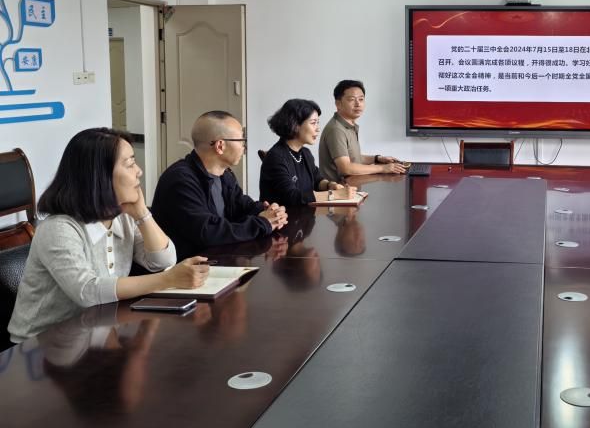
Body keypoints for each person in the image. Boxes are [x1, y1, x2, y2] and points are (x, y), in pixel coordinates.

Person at [7, 128, 209, 343]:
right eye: (130, 164)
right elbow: (87, 292)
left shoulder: (123, 217)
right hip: (39, 345)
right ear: (99, 175)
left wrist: (142, 213)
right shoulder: (58, 228)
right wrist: (167, 279)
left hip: (93, 333)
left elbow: (162, 261)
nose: (139, 171)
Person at [152, 111, 288, 258]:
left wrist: (268, 211)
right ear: (220, 146)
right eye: (241, 140)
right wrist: (263, 223)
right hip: (188, 266)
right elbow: (208, 232)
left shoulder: (225, 174)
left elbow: (242, 205)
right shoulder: (180, 180)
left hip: (218, 259)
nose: (244, 147)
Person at [259, 98, 357, 205]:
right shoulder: (276, 157)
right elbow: (292, 197)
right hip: (284, 214)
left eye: (317, 123)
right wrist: (335, 195)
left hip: (304, 213)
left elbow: (317, 180)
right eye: (313, 123)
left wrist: (330, 185)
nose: (317, 129)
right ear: (295, 125)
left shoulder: (305, 153)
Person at [318, 80, 407, 185]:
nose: (358, 104)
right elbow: (346, 168)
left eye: (361, 99)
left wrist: (377, 159)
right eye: (352, 99)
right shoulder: (336, 129)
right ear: (338, 104)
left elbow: (353, 158)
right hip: (338, 192)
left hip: (351, 188)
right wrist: (383, 168)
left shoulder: (348, 126)